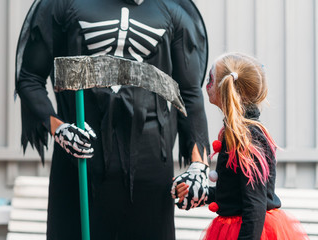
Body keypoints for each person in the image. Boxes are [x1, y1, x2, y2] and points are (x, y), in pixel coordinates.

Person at [15, 0, 210, 239]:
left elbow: (189, 94)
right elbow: (29, 79)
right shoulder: (63, 5)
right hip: (79, 165)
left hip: (150, 171)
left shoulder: (172, 11)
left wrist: (198, 166)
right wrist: (60, 129)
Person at [172, 52, 308, 239]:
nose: (206, 85)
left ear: (225, 87)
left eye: (211, 79)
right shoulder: (237, 133)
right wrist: (202, 194)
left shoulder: (249, 138)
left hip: (248, 232)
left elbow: (255, 206)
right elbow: (234, 194)